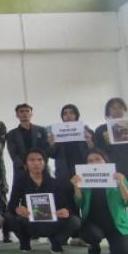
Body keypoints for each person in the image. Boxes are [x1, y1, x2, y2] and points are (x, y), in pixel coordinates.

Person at [93, 98, 128, 249]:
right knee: (112, 202)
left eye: (120, 107)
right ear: (108, 112)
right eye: (113, 108)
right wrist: (106, 142)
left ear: (125, 109)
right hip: (111, 171)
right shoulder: (101, 130)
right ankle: (115, 232)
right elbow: (97, 152)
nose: (116, 110)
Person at [7, 149, 81, 254]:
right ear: (25, 164)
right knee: (8, 217)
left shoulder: (55, 182)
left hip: (52, 222)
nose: (36, 163)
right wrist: (17, 209)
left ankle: (56, 242)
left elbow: (66, 205)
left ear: (45, 162)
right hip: (29, 222)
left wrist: (66, 211)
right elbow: (11, 205)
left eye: (39, 159)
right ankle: (24, 241)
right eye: (32, 160)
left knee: (75, 221)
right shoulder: (20, 182)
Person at [71, 149, 128, 254]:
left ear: (105, 161)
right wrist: (76, 186)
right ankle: (93, 245)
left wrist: (121, 184)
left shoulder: (118, 177)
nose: (94, 162)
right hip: (93, 223)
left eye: (98, 159)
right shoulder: (84, 180)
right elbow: (79, 204)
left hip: (116, 224)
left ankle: (115, 244)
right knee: (91, 234)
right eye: (90, 160)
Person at [47, 103, 93, 246]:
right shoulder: (57, 132)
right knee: (68, 204)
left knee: (85, 204)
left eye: (71, 113)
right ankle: (74, 234)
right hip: (64, 173)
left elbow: (93, 152)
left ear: (76, 115)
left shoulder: (86, 130)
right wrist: (50, 143)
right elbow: (51, 154)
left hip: (83, 173)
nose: (68, 116)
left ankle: (87, 235)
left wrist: (89, 141)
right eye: (65, 113)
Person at [6, 103, 50, 181]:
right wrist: (24, 165)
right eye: (21, 111)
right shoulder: (11, 134)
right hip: (22, 169)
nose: (25, 113)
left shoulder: (41, 130)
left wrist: (39, 163)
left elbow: (46, 149)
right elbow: (13, 154)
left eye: (27, 111)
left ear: (31, 114)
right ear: (17, 115)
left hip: (40, 168)